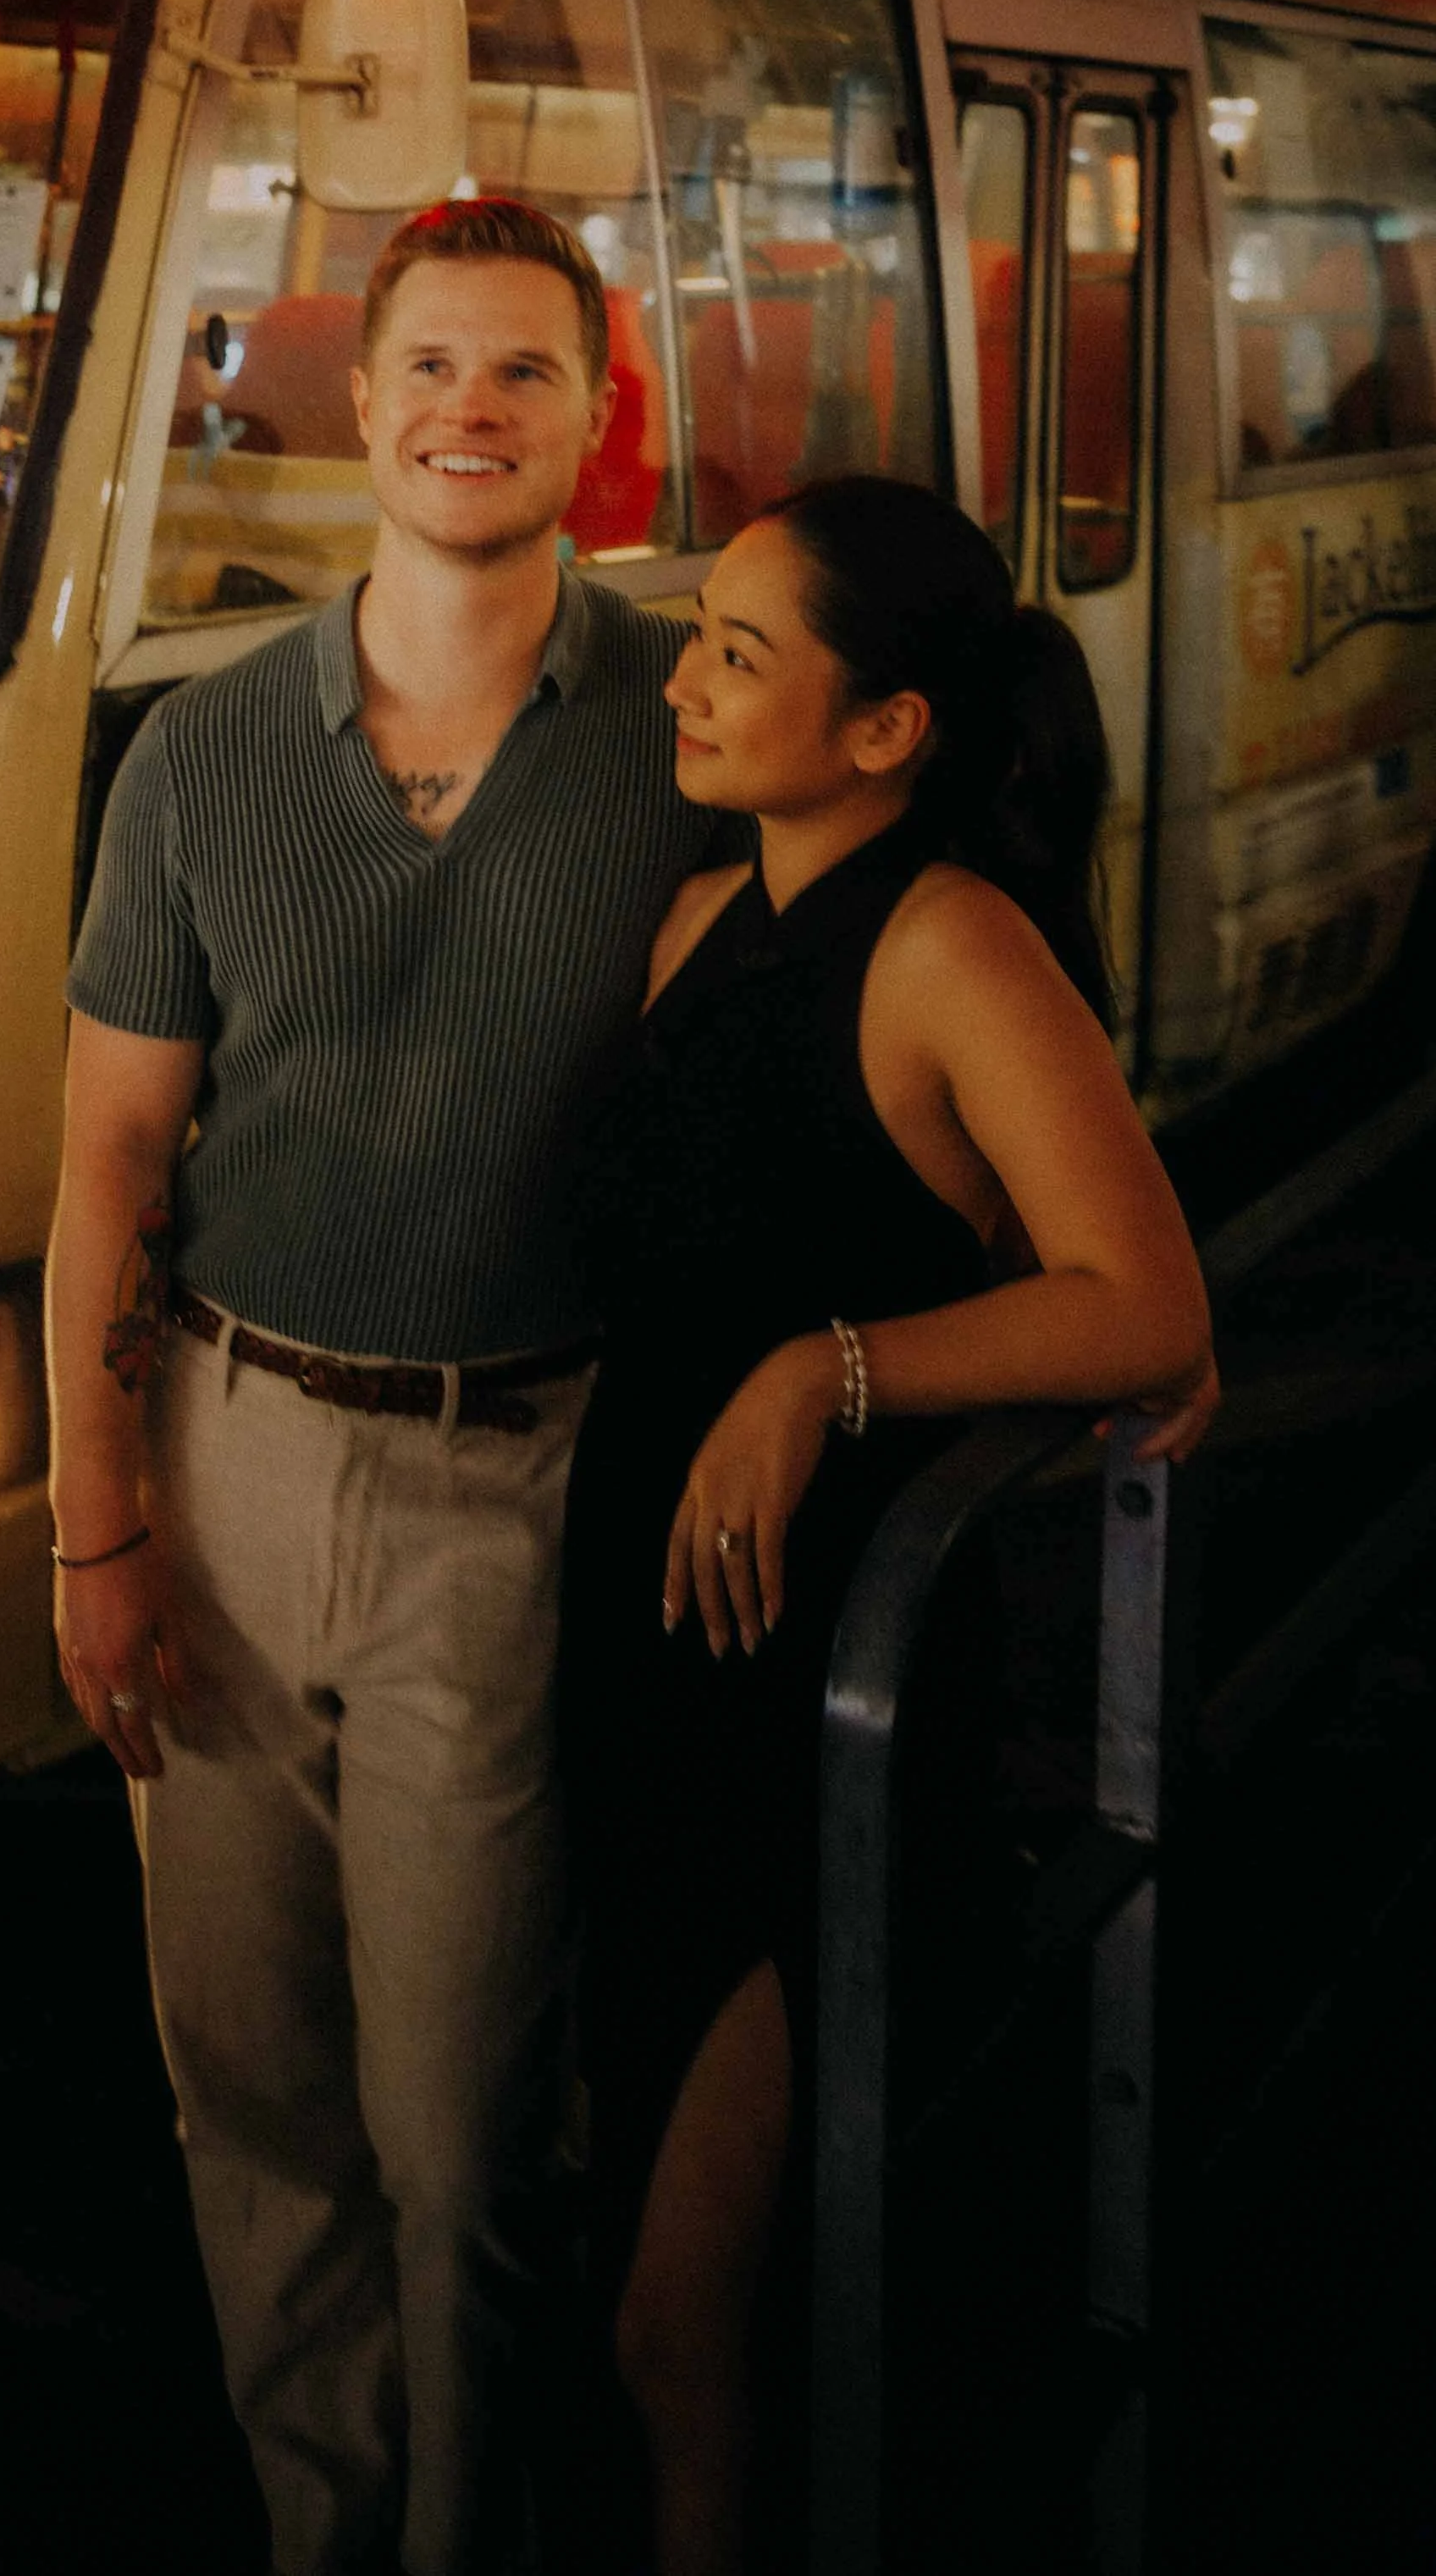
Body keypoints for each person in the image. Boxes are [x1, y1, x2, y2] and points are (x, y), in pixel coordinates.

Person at [48, 197, 725, 2576]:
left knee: (464, 2130)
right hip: (223, 1461)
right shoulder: (206, 749)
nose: (469, 407)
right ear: (360, 401)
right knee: (250, 2096)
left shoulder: (679, 727)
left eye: (523, 371)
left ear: (596, 414)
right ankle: (322, 2532)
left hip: (511, 1478)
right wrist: (96, 1520)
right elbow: (115, 1158)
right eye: (430, 363)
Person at [560, 474, 1218, 2576]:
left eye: (744, 652)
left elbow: (1141, 1295)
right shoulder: (693, 915)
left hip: (811, 1680)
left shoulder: (950, 940)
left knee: (687, 2311)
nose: (686, 673)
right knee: (654, 2275)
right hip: (641, 1647)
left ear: (888, 726)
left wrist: (823, 1370)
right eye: (699, 631)